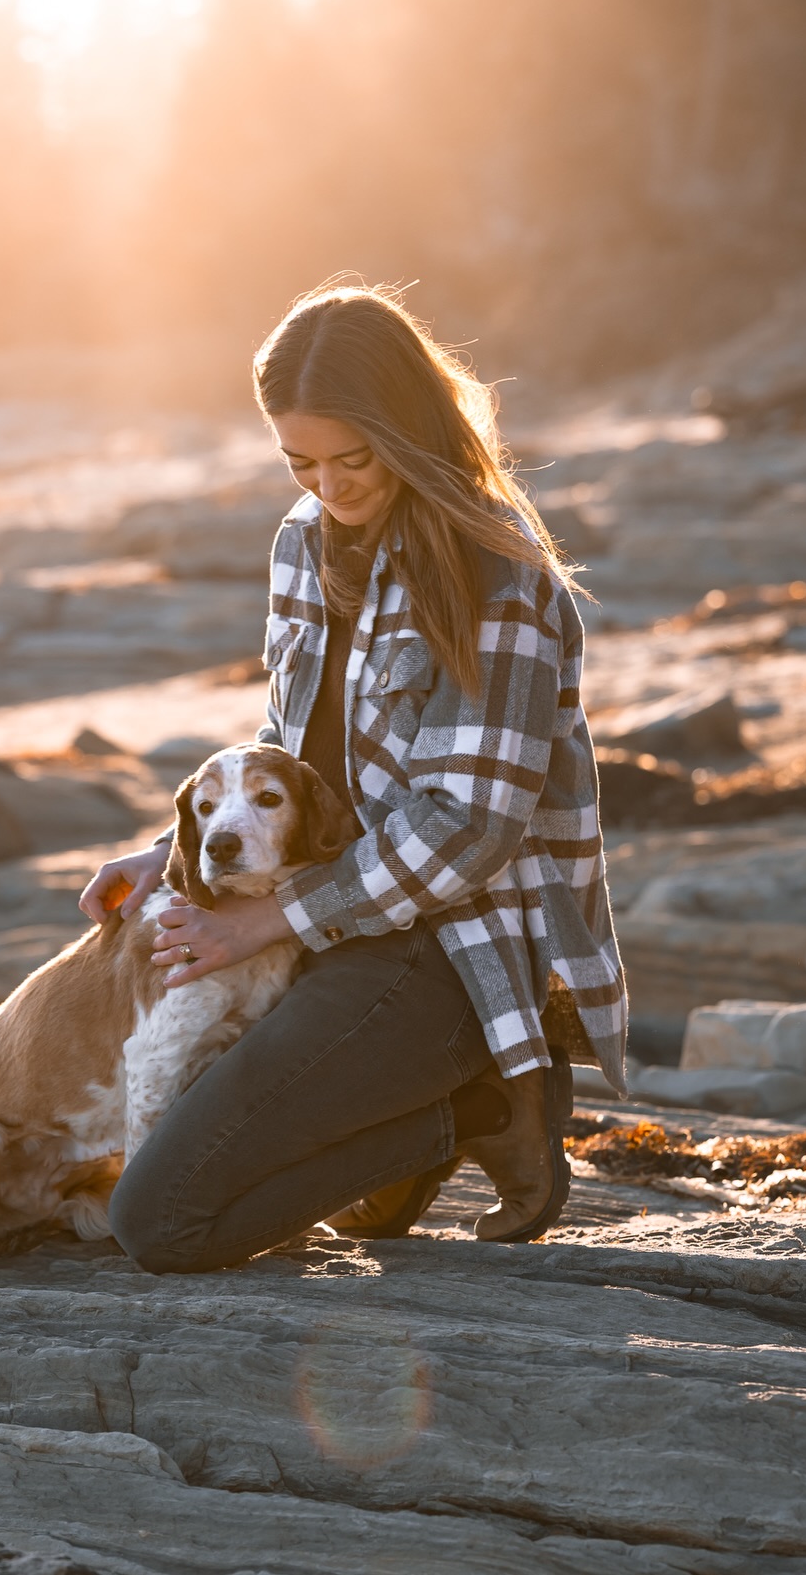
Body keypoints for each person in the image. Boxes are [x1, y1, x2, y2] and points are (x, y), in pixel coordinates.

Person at [79, 282, 627, 1273]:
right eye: (301, 462)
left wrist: (263, 920)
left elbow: (466, 830)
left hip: (447, 948)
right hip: (321, 924)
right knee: (178, 1145)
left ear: (406, 429)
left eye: (352, 458)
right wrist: (180, 850)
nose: (327, 486)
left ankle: (479, 1106)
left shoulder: (497, 574)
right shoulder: (302, 541)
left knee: (160, 1218)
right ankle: (404, 1127)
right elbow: (289, 746)